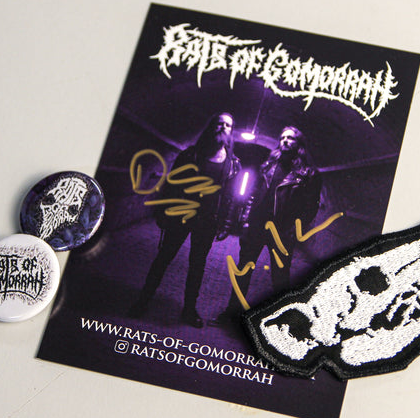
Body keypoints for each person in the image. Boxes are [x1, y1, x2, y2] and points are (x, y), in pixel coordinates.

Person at [129, 113, 241, 327]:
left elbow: (230, 197)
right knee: (163, 258)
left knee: (197, 265)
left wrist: (226, 223)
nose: (222, 127)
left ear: (231, 132)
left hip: (208, 221)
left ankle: (189, 309)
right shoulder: (191, 154)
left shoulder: (233, 164)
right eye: (219, 123)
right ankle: (143, 300)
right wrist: (163, 212)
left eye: (227, 125)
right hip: (181, 214)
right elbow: (171, 185)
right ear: (211, 127)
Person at [218, 125, 322, 322]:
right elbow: (253, 196)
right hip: (257, 226)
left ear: (299, 144)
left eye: (290, 138)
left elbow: (310, 208)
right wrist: (246, 221)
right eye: (282, 137)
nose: (285, 141)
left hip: (282, 231)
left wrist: (293, 230)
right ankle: (231, 313)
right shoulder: (268, 165)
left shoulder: (309, 174)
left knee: (280, 278)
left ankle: (282, 321)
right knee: (243, 271)